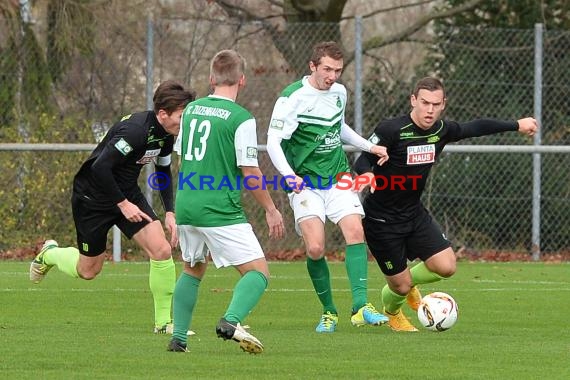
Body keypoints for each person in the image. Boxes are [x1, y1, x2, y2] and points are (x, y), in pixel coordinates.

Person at [354, 76, 538, 331]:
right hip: (381, 219)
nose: (430, 110)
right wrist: (367, 173)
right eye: (425, 103)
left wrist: (516, 124)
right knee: (402, 285)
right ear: (413, 101)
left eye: (435, 104)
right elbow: (362, 158)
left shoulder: (441, 130)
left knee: (446, 266)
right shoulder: (391, 129)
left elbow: (475, 127)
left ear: (443, 104)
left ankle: (404, 287)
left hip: (414, 213)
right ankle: (393, 310)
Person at [29, 80, 196, 334]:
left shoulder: (167, 136)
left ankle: (163, 323)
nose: (185, 123)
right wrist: (122, 204)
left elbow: (163, 170)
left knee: (161, 249)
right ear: (163, 114)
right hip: (92, 197)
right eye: (182, 117)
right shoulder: (135, 131)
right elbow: (100, 167)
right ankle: (49, 253)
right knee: (88, 271)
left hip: (127, 194)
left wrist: (170, 212)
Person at [266, 41, 390, 333]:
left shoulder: (339, 92)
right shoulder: (291, 98)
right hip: (305, 184)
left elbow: (339, 126)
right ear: (312, 66)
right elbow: (272, 142)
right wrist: (287, 175)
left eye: (337, 70)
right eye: (327, 69)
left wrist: (369, 147)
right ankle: (329, 312)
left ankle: (360, 306)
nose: (332, 76)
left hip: (337, 177)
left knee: (356, 231)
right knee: (316, 248)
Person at [167, 49, 285, 354]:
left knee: (192, 268)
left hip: (187, 201)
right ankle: (231, 321)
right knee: (258, 272)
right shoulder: (240, 118)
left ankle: (178, 338)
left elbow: (182, 157)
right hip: (218, 208)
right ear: (242, 80)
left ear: (211, 78)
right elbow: (250, 171)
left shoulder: (191, 110)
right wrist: (271, 209)